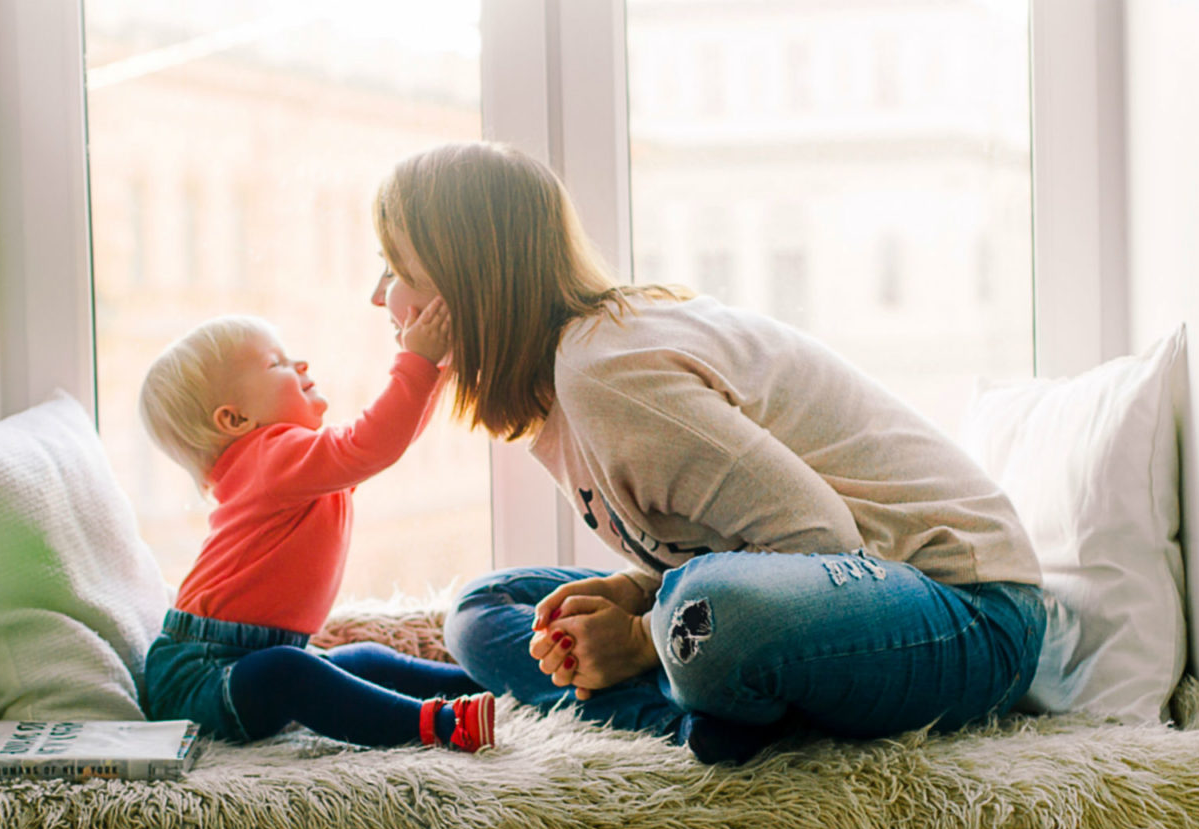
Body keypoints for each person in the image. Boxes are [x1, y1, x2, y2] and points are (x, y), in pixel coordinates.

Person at [369, 140, 1046, 764]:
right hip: (831, 597)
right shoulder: (562, 386)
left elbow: (822, 540)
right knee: (486, 609)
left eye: (397, 269)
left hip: (969, 614)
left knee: (708, 611)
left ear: (470, 283)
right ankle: (701, 717)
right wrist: (641, 596)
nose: (380, 296)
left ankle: (696, 697)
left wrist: (638, 637)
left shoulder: (605, 371)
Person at [137, 306, 494, 753]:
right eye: (276, 364)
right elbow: (373, 442)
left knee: (361, 659)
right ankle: (437, 725)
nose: (300, 364)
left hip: (248, 656)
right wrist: (418, 363)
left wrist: (436, 370)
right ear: (234, 420)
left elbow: (386, 443)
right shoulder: (271, 458)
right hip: (200, 676)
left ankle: (486, 683)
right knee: (288, 673)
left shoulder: (290, 464)